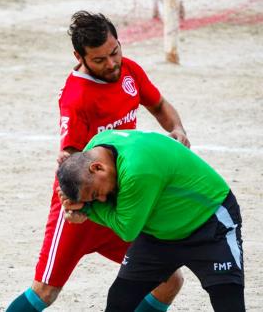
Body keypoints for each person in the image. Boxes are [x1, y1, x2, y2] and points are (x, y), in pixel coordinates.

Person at [7, 11, 189, 312]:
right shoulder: (76, 98)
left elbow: (158, 105)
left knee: (169, 279)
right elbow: (68, 163)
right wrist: (74, 209)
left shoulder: (129, 71)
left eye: (114, 52)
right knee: (45, 292)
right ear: (79, 56)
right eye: (100, 60)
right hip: (82, 206)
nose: (112, 63)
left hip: (121, 203)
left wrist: (177, 129)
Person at [56, 129, 245, 312]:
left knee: (228, 302)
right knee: (119, 300)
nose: (103, 200)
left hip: (209, 223)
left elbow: (126, 229)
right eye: (95, 200)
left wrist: (88, 209)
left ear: (97, 167)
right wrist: (78, 203)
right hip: (159, 233)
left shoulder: (136, 171)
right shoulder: (96, 147)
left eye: (96, 194)